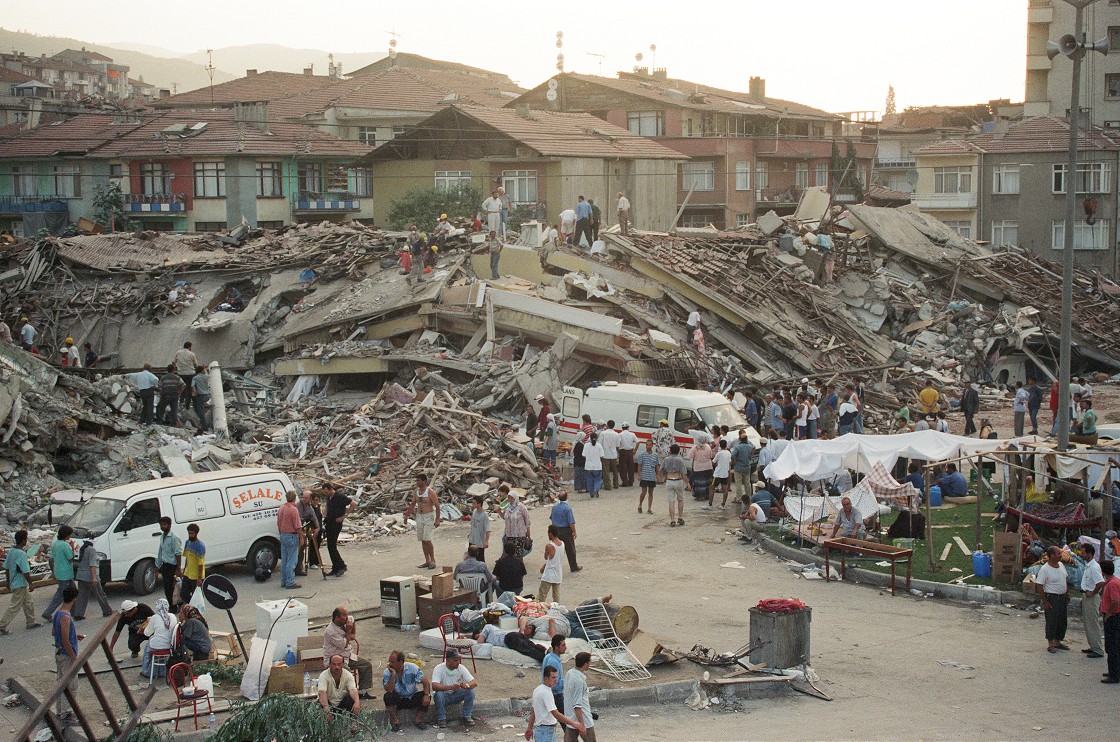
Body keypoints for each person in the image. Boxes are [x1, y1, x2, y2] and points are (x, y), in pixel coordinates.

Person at [323, 606, 375, 698]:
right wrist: (348, 631)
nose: (347, 617)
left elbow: (352, 619)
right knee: (346, 673)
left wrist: (352, 633)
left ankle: (362, 692)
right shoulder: (330, 631)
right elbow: (344, 645)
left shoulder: (347, 620)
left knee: (366, 665)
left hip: (347, 655)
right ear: (337, 618)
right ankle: (347, 694)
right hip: (334, 659)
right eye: (344, 615)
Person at [525, 665, 584, 742]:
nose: (556, 680)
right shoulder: (546, 693)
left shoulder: (537, 690)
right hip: (546, 731)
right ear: (546, 678)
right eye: (553, 678)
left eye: (556, 677)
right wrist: (573, 723)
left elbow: (533, 710)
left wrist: (529, 728)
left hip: (543, 730)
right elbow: (555, 713)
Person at [52, 586, 83, 722]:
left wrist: (74, 636)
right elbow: (65, 640)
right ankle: (66, 713)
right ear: (74, 599)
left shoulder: (58, 613)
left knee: (62, 682)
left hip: (59, 652)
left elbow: (55, 632)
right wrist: (74, 657)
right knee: (70, 685)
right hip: (65, 654)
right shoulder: (65, 616)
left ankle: (61, 711)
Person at [0, 530, 39, 634]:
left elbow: (7, 568)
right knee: (15, 606)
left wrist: (8, 582)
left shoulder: (12, 551)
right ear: (23, 541)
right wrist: (31, 583)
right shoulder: (21, 554)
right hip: (19, 583)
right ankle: (2, 625)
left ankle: (31, 622)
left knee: (28, 603)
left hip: (15, 582)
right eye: (26, 539)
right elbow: (25, 571)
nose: (26, 541)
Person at [383, 650, 431, 733]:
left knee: (426, 696)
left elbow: (426, 683)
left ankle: (418, 720)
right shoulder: (388, 672)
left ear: (401, 662)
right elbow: (389, 689)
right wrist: (393, 675)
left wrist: (426, 695)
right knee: (388, 696)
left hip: (412, 696)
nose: (390, 664)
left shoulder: (413, 668)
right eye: (390, 662)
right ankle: (395, 722)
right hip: (399, 698)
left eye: (393, 662)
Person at [431, 648, 477, 728]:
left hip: (456, 695)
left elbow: (474, 682)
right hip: (444, 697)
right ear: (448, 661)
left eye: (458, 660)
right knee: (438, 694)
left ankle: (466, 715)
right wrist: (450, 687)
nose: (458, 663)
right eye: (455, 660)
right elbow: (434, 686)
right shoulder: (439, 668)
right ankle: (441, 718)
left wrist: (466, 685)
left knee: (471, 690)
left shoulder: (461, 668)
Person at [1036, 546, 1070, 653]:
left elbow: (1065, 579)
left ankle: (1057, 641)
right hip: (1052, 597)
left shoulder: (1061, 565)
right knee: (1052, 621)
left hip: (1062, 597)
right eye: (1058, 553)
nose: (1061, 555)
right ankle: (1050, 643)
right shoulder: (1045, 569)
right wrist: (1045, 601)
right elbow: (1039, 585)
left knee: (1062, 620)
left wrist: (1067, 593)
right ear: (1051, 556)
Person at [405, 473, 441, 570]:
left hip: (428, 516)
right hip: (419, 516)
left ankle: (433, 560)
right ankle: (427, 560)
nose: (417, 482)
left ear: (424, 481)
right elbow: (413, 503)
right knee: (422, 540)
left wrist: (437, 519)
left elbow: (437, 506)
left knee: (427, 539)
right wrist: (407, 515)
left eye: (418, 480)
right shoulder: (416, 491)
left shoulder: (430, 492)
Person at [42, 525, 76, 622]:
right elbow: (70, 558)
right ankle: (48, 612)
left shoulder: (55, 543)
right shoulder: (64, 545)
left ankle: (72, 613)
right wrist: (72, 548)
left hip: (59, 572)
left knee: (72, 593)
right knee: (61, 594)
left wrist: (53, 571)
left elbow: (51, 559)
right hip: (66, 573)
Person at [73, 538, 112, 621]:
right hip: (90, 577)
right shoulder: (92, 550)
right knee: (100, 595)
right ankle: (107, 611)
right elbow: (92, 564)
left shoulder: (83, 548)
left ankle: (78, 614)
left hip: (81, 576)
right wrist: (94, 577)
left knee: (82, 596)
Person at [1079, 543, 1106, 659]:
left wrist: (1093, 592)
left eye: (1083, 552)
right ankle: (1093, 646)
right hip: (1086, 595)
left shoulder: (1094, 567)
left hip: (1091, 596)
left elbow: (1100, 583)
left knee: (1092, 623)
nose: (1081, 554)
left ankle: (1098, 649)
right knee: (1087, 623)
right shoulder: (1088, 565)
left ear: (1089, 554)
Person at [141, 598, 178, 679]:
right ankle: (162, 671)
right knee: (157, 643)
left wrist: (148, 623)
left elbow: (147, 633)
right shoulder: (173, 616)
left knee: (148, 647)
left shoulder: (155, 617)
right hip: (170, 646)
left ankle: (147, 671)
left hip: (157, 647)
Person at [324, 483, 355, 576]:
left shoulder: (339, 497)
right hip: (329, 522)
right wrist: (325, 512)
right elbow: (327, 506)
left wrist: (344, 516)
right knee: (330, 546)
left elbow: (353, 504)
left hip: (336, 524)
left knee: (332, 546)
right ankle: (335, 567)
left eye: (326, 492)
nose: (325, 494)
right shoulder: (328, 498)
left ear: (331, 489)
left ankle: (341, 565)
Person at [318, 653, 361, 721]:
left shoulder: (348, 675)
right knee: (320, 702)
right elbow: (322, 692)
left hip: (342, 704)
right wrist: (327, 710)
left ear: (343, 664)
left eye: (339, 664)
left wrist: (357, 702)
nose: (337, 667)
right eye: (334, 664)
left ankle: (354, 724)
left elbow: (352, 689)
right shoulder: (323, 675)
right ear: (330, 665)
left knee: (352, 699)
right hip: (329, 704)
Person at [475, 622, 545, 662]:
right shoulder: (489, 631)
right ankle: (545, 651)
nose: (479, 637)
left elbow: (479, 642)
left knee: (526, 649)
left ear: (480, 631)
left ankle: (543, 657)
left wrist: (480, 636)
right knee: (530, 645)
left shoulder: (487, 627)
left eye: (478, 635)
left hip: (508, 638)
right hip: (513, 636)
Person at [277, 490, 302, 589]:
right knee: (292, 560)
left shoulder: (281, 508)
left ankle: (284, 581)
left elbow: (278, 523)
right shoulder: (293, 509)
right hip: (291, 535)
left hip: (283, 534)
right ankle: (290, 582)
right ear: (295, 499)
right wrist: (301, 537)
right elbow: (297, 525)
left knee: (284, 560)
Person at [1100, 559, 1120, 682]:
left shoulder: (1112, 584)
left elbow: (1115, 601)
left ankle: (1114, 674)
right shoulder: (1114, 581)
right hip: (1114, 616)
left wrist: (1108, 614)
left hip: (1113, 617)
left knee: (1112, 646)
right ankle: (1114, 671)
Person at [550, 492, 580, 572]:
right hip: (566, 530)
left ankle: (554, 567)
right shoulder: (568, 509)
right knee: (570, 550)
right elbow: (571, 523)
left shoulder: (554, 507)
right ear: (567, 498)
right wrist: (574, 532)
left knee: (556, 549)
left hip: (556, 530)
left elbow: (551, 518)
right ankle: (573, 567)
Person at [662, 444, 690, 527]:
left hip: (669, 480)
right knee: (680, 500)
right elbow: (684, 473)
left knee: (671, 501)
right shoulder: (680, 460)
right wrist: (688, 483)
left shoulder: (666, 459)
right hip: (678, 480)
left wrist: (663, 477)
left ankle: (672, 520)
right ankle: (680, 518)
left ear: (670, 450)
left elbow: (662, 470)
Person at [297, 489, 322, 576]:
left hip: (306, 529)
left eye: (307, 498)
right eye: (304, 497)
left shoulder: (310, 507)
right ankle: (297, 568)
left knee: (303, 548)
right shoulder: (298, 506)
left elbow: (314, 518)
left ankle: (300, 568)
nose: (304, 499)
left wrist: (318, 528)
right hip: (298, 531)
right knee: (298, 550)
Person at [502, 486, 532, 558]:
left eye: (512, 498)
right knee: (509, 554)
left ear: (515, 498)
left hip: (519, 535)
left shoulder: (521, 507)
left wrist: (528, 531)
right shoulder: (507, 507)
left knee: (518, 553)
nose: (510, 500)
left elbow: (527, 520)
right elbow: (504, 517)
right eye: (509, 498)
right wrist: (499, 511)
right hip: (509, 534)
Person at [538, 526, 565, 603]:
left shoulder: (549, 546)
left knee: (541, 596)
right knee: (556, 597)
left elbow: (546, 557)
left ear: (550, 533)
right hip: (558, 574)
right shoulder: (562, 544)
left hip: (549, 575)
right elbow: (555, 560)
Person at [180, 523, 205, 605]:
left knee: (197, 596)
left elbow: (200, 564)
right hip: (187, 574)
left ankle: (197, 610)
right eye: (189, 533)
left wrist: (199, 578)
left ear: (196, 533)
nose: (190, 535)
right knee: (183, 594)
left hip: (196, 576)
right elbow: (187, 558)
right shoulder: (187, 543)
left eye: (192, 533)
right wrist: (184, 571)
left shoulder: (200, 545)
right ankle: (192, 607)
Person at [542, 634, 566, 721]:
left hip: (552, 693)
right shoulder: (553, 662)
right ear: (556, 647)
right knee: (565, 721)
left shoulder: (549, 657)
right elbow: (554, 682)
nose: (565, 647)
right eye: (563, 645)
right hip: (555, 695)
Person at [636, 440, 659, 514]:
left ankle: (649, 508)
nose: (648, 446)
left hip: (651, 476)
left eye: (649, 445)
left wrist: (657, 475)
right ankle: (640, 504)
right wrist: (639, 474)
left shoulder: (655, 455)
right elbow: (639, 465)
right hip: (644, 476)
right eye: (647, 445)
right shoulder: (642, 454)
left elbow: (656, 466)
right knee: (644, 492)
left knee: (651, 492)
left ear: (652, 445)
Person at [174, 341, 198, 408]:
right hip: (190, 373)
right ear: (189, 347)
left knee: (182, 387)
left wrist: (174, 369)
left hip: (181, 373)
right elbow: (196, 364)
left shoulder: (178, 352)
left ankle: (181, 401)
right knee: (189, 389)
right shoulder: (192, 354)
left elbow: (174, 362)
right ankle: (187, 404)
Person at [710, 439, 732, 509]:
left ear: (720, 445)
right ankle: (723, 504)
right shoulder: (728, 453)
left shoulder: (719, 453)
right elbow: (729, 462)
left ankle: (710, 504)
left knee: (711, 488)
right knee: (725, 489)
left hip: (717, 474)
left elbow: (713, 462)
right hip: (725, 473)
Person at [468, 495, 490, 562]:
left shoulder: (484, 515)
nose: (472, 504)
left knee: (480, 559)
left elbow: (487, 529)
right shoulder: (474, 511)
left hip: (479, 541)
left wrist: (486, 541)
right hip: (472, 539)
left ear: (479, 504)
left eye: (474, 503)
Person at [599, 421, 620, 491]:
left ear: (607, 425)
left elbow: (599, 444)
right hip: (614, 455)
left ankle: (608, 485)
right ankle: (616, 484)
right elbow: (617, 445)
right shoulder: (616, 434)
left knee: (606, 471)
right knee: (615, 471)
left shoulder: (603, 433)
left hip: (605, 455)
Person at [583, 433, 604, 499]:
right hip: (597, 466)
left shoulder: (586, 445)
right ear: (597, 438)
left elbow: (583, 455)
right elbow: (602, 455)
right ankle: (596, 489)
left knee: (589, 481)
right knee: (597, 479)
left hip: (588, 466)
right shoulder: (599, 446)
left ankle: (591, 493)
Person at [617, 422, 638, 488]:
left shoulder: (620, 434)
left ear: (622, 428)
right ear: (628, 427)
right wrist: (635, 450)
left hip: (623, 452)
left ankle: (625, 482)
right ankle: (631, 481)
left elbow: (617, 444)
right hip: (630, 452)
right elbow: (638, 442)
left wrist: (618, 452)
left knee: (623, 467)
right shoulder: (632, 434)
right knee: (631, 467)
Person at [191, 366, 210, 433]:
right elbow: (207, 374)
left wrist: (195, 393)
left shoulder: (195, 378)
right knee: (201, 410)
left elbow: (192, 387)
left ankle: (204, 426)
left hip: (200, 396)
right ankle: (204, 423)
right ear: (202, 371)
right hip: (207, 395)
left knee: (200, 411)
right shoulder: (206, 377)